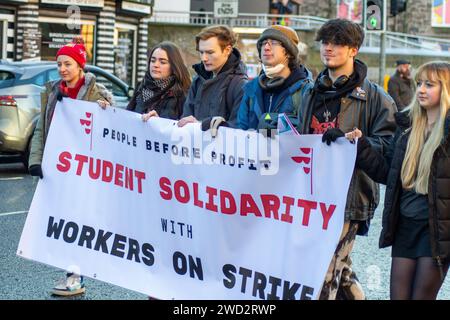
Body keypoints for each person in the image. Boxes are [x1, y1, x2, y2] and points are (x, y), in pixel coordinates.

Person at [296, 19, 397, 300]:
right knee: (341, 270)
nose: (328, 48)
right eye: (325, 42)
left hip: (349, 198)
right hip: (312, 196)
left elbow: (389, 147)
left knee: (324, 271)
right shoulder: (310, 92)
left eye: (336, 43)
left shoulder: (376, 97)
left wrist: (354, 141)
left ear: (353, 50)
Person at [352, 61, 450, 300]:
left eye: (430, 84)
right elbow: (389, 174)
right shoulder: (407, 128)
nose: (421, 90)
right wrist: (360, 146)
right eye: (419, 84)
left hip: (436, 230)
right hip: (405, 225)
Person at [28, 36, 113, 297]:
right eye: (59, 64)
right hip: (58, 168)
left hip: (85, 171)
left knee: (80, 222)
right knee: (61, 223)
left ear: (80, 66)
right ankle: (71, 273)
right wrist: (36, 160)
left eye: (68, 64)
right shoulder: (52, 92)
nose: (63, 69)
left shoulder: (98, 93)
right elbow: (43, 128)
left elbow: (110, 128)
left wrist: (106, 109)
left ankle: (77, 276)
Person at [237, 25, 312, 131]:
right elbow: (240, 128)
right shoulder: (251, 89)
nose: (266, 47)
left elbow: (309, 133)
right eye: (263, 43)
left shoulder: (305, 90)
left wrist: (280, 126)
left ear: (289, 53)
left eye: (273, 43)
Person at [178, 25, 248, 129]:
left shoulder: (240, 85)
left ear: (227, 50)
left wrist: (201, 125)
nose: (204, 58)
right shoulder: (198, 80)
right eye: (201, 52)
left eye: (210, 52)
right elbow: (184, 120)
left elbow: (239, 129)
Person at [127, 41, 191, 121]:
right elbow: (127, 118)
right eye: (153, 61)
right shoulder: (141, 87)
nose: (155, 65)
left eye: (162, 62)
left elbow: (184, 128)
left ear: (174, 66)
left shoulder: (183, 94)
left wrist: (159, 122)